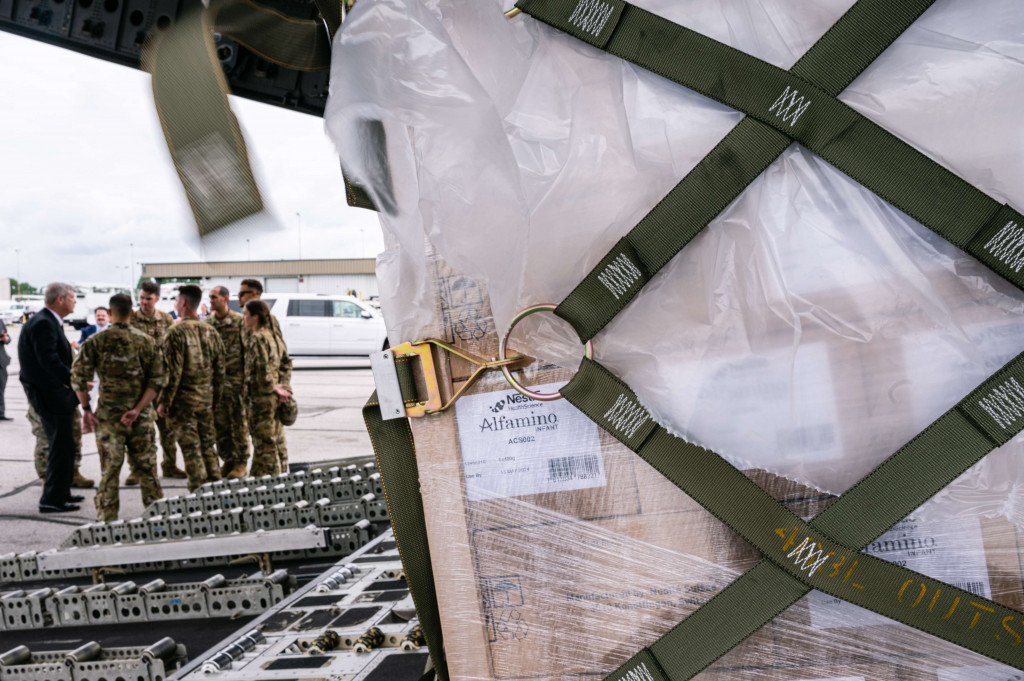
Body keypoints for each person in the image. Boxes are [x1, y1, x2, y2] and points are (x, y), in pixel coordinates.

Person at [71, 294, 164, 520]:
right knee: (148, 471)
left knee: (109, 472)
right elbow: (157, 381)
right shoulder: (147, 341)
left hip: (108, 418)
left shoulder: (95, 341)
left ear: (110, 314)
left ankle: (107, 522)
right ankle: (157, 521)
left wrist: (86, 409)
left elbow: (78, 379)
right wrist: (137, 409)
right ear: (132, 313)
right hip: (140, 418)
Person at [19, 283, 84, 513]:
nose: (75, 301)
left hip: (54, 394)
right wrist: (74, 381)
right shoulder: (43, 323)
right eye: (72, 297)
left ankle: (62, 492)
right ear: (60, 300)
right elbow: (49, 361)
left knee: (66, 445)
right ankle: (51, 500)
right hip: (49, 395)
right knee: (60, 445)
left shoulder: (48, 320)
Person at [157, 285, 225, 491]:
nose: (175, 305)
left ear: (184, 302)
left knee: (191, 449)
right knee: (208, 446)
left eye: (176, 301)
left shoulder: (175, 332)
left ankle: (198, 492)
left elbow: (172, 372)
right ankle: (217, 489)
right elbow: (220, 371)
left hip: (183, 403)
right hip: (206, 400)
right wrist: (216, 399)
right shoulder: (211, 331)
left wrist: (164, 402)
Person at [130, 281, 185, 480]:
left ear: (157, 299)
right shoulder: (131, 319)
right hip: (139, 384)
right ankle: (137, 469)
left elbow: (174, 349)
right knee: (138, 431)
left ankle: (169, 465)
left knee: (167, 428)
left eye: (148, 299)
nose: (144, 302)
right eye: (142, 298)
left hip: (162, 383)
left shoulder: (166, 319)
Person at [238, 278, 289, 471]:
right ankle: (273, 476)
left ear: (255, 316)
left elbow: (262, 367)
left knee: (265, 444)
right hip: (270, 395)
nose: (243, 318)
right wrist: (281, 388)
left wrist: (275, 387)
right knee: (273, 441)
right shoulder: (269, 335)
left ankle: (272, 480)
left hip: (261, 396)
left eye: (245, 315)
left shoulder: (259, 336)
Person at [206, 286, 249, 478]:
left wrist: (246, 380)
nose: (211, 300)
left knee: (238, 424)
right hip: (216, 384)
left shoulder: (239, 321)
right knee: (220, 425)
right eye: (210, 297)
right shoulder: (208, 323)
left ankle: (241, 462)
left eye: (214, 297)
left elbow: (248, 351)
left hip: (236, 381)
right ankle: (228, 460)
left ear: (225, 298)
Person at [0, 317, 10, 421]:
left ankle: (1, 413)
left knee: (1, 388)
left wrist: (5, 339)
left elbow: (7, 336)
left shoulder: (0, 321)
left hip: (1, 362)